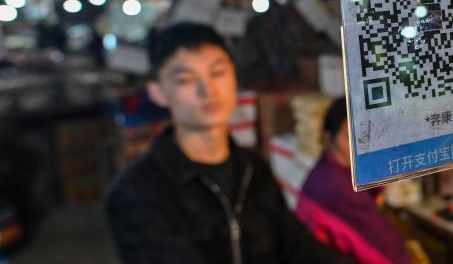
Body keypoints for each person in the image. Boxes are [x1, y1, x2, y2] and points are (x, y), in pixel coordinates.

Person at [106, 23, 349, 264]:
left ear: (234, 76)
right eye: (186, 79)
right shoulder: (135, 191)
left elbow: (295, 245)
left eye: (217, 72)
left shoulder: (252, 167)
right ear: (157, 92)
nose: (207, 90)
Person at [296, 98, 410, 264]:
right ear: (328, 139)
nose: (361, 146)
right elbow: (387, 252)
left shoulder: (328, 168)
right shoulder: (338, 189)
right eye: (349, 137)